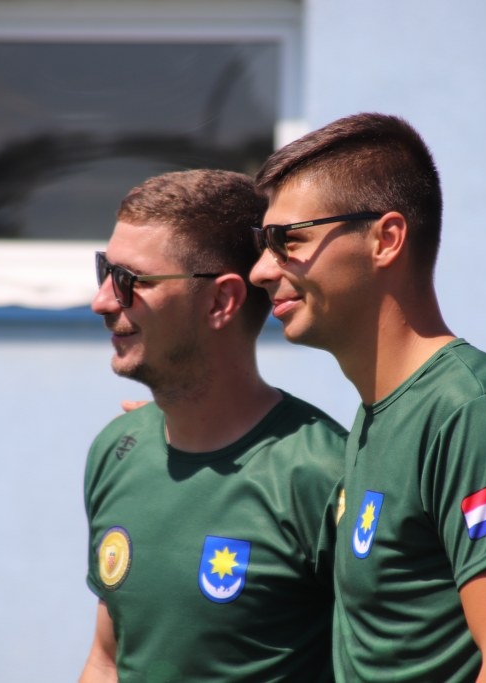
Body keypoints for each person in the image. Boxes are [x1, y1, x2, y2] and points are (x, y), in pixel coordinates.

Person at [249, 113, 486, 683]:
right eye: (262, 244)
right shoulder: (379, 416)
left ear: (385, 240)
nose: (262, 270)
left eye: (289, 240)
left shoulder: (473, 414)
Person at [79, 169, 347, 683]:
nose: (103, 301)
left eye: (132, 281)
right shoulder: (117, 451)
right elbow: (106, 661)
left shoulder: (322, 475)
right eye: (105, 271)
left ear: (221, 301)